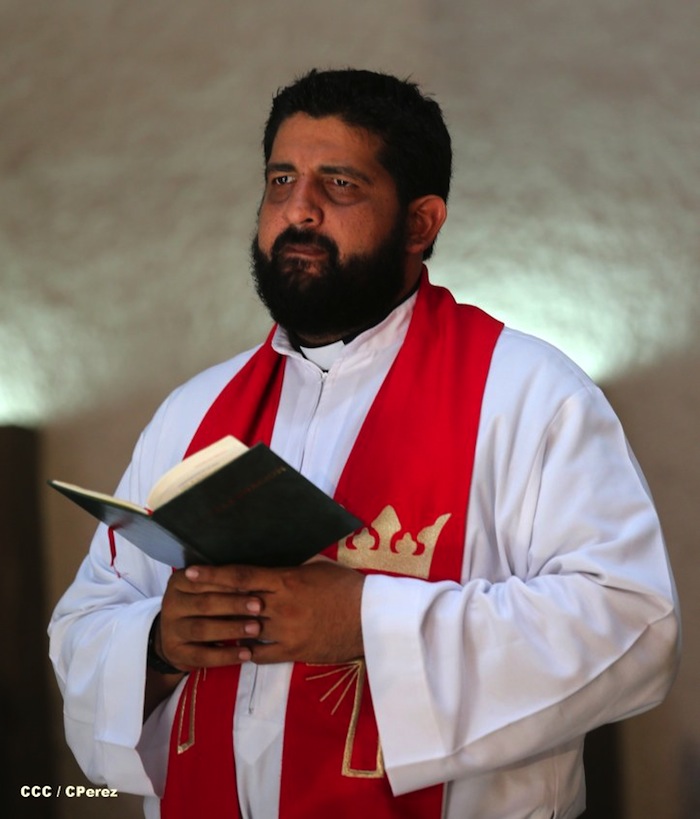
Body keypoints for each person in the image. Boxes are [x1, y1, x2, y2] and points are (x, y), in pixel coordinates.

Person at [49, 68, 680, 819]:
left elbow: (630, 623)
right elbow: (86, 620)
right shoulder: (192, 412)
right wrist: (158, 642)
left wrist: (364, 620)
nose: (298, 209)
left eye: (339, 184)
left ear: (421, 223)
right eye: (280, 179)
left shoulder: (528, 394)